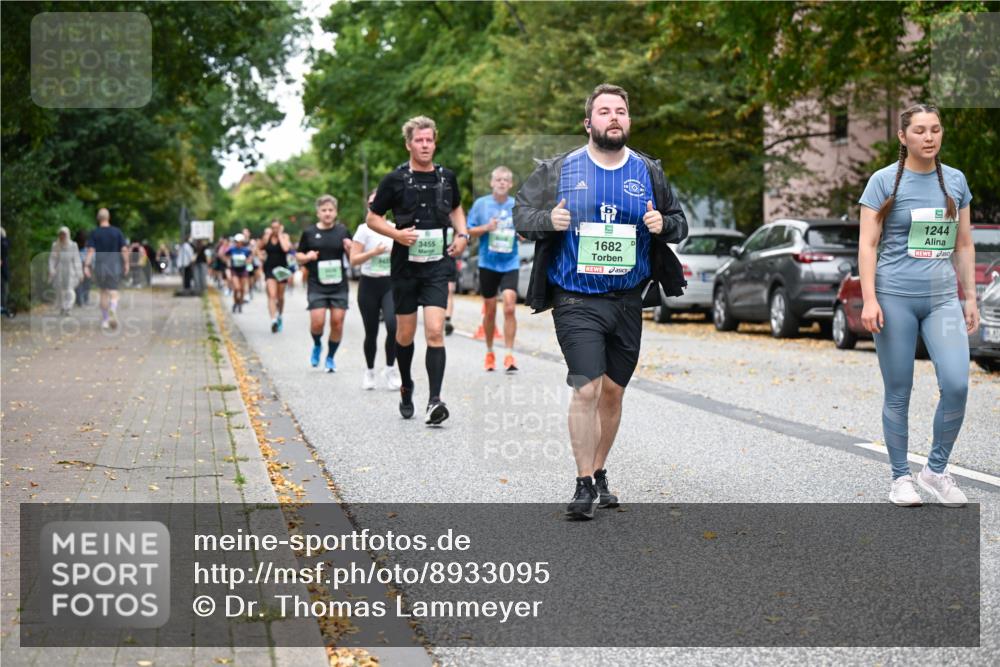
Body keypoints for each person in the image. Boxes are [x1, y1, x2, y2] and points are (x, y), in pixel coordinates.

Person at [514, 83, 688, 519]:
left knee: (612, 392)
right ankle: (581, 483)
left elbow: (679, 224)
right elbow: (520, 216)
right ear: (588, 122)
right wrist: (546, 220)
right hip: (576, 298)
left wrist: (660, 223)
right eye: (605, 111)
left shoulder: (648, 171)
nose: (614, 117)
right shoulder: (559, 170)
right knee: (587, 386)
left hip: (628, 298)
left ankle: (599, 470)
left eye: (621, 111)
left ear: (628, 121)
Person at [858, 103, 978, 508]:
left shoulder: (956, 182)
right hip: (894, 299)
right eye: (921, 131)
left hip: (942, 299)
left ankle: (936, 470)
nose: (930, 137)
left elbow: (963, 244)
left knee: (958, 383)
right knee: (899, 390)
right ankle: (899, 478)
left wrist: (970, 298)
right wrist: (870, 299)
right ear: (903, 137)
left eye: (936, 130)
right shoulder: (883, 182)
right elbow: (867, 245)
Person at [367, 116, 469, 425]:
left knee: (436, 330)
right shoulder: (395, 180)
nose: (425, 145)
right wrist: (396, 234)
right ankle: (407, 385)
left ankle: (434, 400)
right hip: (405, 267)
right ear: (409, 144)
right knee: (405, 334)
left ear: (435, 142)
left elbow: (455, 208)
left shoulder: (447, 177)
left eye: (429, 140)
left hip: (437, 264)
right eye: (419, 140)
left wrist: (462, 235)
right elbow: (373, 218)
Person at [468, 165, 520, 372]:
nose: (501, 182)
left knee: (509, 305)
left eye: (505, 180)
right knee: (489, 311)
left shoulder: (517, 205)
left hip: (510, 262)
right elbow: (469, 231)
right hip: (487, 263)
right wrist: (486, 228)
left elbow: (524, 231)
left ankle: (509, 355)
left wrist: (523, 234)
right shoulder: (481, 205)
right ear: (491, 183)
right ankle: (490, 352)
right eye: (498, 179)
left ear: (510, 184)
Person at [351, 191, 402, 390]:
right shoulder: (363, 230)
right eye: (371, 204)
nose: (375, 206)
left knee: (392, 326)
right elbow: (354, 260)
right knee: (371, 332)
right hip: (368, 285)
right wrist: (374, 252)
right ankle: (370, 370)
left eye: (378, 202)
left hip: (390, 284)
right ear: (368, 207)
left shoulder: (394, 229)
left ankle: (390, 369)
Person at [296, 195, 353, 372]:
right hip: (317, 284)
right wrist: (307, 257)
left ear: (335, 212)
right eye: (324, 210)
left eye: (330, 210)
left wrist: (350, 249)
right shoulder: (309, 233)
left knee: (337, 322)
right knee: (317, 322)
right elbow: (298, 256)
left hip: (338, 284)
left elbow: (353, 259)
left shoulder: (343, 231)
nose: (327, 213)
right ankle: (317, 344)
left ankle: (330, 357)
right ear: (318, 213)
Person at [84, 208, 130, 330]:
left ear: (98, 219)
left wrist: (86, 266)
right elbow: (124, 249)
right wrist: (126, 263)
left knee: (103, 292)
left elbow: (91, 250)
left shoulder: (94, 233)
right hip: (114, 265)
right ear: (108, 217)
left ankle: (105, 320)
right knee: (114, 291)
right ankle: (113, 309)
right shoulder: (117, 232)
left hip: (100, 266)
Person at [260, 219, 292, 333]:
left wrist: (279, 235)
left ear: (280, 227)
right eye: (273, 227)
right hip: (269, 269)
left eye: (277, 227)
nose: (275, 229)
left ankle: (280, 315)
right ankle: (273, 320)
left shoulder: (285, 237)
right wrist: (261, 256)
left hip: (282, 270)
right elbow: (258, 248)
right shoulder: (267, 237)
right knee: (272, 295)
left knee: (280, 297)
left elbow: (286, 248)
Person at [49, 227, 83, 316]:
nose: (62, 236)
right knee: (60, 290)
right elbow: (53, 258)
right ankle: (62, 307)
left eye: (64, 234)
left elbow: (77, 259)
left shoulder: (73, 245)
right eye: (61, 234)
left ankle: (68, 307)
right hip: (60, 269)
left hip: (70, 269)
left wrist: (79, 273)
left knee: (70, 290)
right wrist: (51, 269)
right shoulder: (56, 245)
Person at [226, 233, 252, 312]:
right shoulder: (232, 249)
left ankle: (240, 303)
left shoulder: (246, 250)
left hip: (243, 270)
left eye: (239, 241)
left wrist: (247, 262)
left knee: (242, 289)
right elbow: (225, 256)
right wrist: (228, 263)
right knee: (237, 288)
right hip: (234, 270)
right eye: (236, 241)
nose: (238, 243)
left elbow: (250, 258)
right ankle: (235, 302)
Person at [75, 229, 91, 306]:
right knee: (86, 283)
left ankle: (80, 300)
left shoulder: (76, 245)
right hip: (85, 264)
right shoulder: (87, 245)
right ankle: (84, 299)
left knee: (79, 283)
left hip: (79, 264)